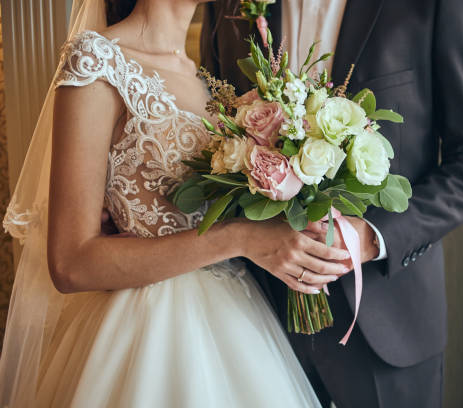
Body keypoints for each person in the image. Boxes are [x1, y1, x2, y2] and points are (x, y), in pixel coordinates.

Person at [0, 0, 350, 406]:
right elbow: (70, 264)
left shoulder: (205, 79)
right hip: (144, 334)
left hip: (234, 323)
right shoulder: (96, 59)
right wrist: (239, 238)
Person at [201, 0, 463, 407]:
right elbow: (209, 138)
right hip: (258, 323)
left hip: (388, 322)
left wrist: (373, 237)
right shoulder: (229, 6)